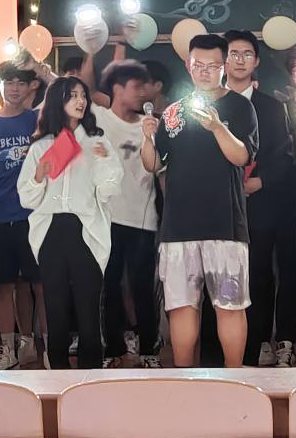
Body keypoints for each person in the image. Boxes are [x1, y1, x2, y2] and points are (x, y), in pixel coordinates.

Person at [141, 34, 258, 368]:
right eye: (198, 65)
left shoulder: (240, 106)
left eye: (212, 65)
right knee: (181, 307)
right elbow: (154, 164)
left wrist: (218, 128)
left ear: (224, 66)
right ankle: (183, 377)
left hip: (225, 224)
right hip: (178, 225)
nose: (205, 71)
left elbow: (242, 157)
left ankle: (235, 378)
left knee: (230, 306)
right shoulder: (174, 111)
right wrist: (147, 138)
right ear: (188, 65)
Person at [18, 77, 123, 369]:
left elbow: (108, 191)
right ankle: (58, 373)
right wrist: (38, 176)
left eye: (83, 96)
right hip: (50, 230)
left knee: (88, 306)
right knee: (55, 305)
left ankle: (90, 373)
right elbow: (27, 198)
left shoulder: (97, 141)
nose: (80, 101)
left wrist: (103, 161)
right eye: (72, 96)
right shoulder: (41, 145)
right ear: (57, 101)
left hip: (86, 229)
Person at [221, 30, 296, 368]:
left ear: (256, 62)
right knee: (223, 278)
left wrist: (259, 182)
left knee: (260, 273)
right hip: (219, 206)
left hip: (261, 202)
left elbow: (284, 155)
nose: (240, 60)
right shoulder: (210, 104)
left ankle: (260, 341)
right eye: (233, 53)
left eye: (247, 54)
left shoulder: (272, 106)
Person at [94, 60, 161, 368]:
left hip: (142, 220)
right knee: (108, 286)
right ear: (116, 89)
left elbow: (159, 168)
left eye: (144, 87)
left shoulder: (151, 125)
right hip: (106, 218)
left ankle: (149, 349)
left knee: (142, 288)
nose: (142, 93)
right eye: (135, 87)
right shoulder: (98, 119)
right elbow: (67, 89)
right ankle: (113, 348)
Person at [0, 61, 45, 369]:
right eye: (9, 82)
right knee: (2, 287)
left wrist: (41, 69)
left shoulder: (38, 120)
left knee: (39, 284)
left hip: (33, 216)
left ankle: (41, 346)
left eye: (21, 82)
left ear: (31, 86)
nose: (14, 88)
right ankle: (7, 349)